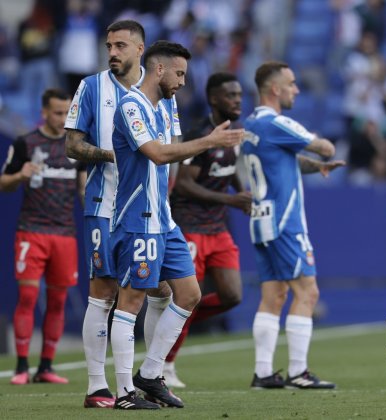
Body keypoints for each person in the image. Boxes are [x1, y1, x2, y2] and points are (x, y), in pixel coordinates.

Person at [110, 40, 243, 410]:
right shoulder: (130, 105)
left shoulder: (168, 105)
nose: (183, 82)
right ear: (159, 69)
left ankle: (151, 374)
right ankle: (123, 394)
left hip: (165, 220)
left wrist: (202, 146)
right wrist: (208, 142)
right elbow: (157, 153)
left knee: (188, 293)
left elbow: (173, 153)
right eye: (180, 73)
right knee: (132, 300)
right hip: (137, 219)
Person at [64, 20, 175, 409]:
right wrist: (113, 153)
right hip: (103, 205)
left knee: (161, 290)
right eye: (109, 46)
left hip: (147, 209)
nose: (113, 52)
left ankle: (149, 375)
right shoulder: (91, 87)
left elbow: (170, 148)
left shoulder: (163, 88)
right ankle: (98, 387)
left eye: (121, 46)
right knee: (103, 294)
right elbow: (72, 144)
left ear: (141, 49)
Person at [242, 61, 345, 390]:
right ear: (275, 89)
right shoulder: (276, 122)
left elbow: (280, 160)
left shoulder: (250, 125)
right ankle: (299, 372)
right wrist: (322, 149)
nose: (296, 90)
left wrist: (316, 168)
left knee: (273, 295)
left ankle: (262, 372)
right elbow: (325, 146)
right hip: (286, 222)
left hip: (261, 219)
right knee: (308, 291)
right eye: (291, 83)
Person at [166, 72, 251, 388]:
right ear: (214, 99)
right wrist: (231, 199)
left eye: (240, 95)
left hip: (217, 228)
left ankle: (170, 325)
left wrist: (242, 194)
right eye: (231, 95)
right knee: (188, 299)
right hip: (191, 226)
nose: (238, 101)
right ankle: (166, 364)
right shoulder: (201, 135)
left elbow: (228, 170)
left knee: (232, 295)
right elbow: (184, 185)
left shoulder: (234, 135)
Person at [0, 88, 86, 385]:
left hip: (65, 234)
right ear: (44, 113)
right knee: (27, 295)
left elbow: (83, 189)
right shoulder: (26, 143)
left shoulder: (77, 146)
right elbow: (4, 183)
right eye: (58, 113)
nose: (63, 119)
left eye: (67, 113)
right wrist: (19, 176)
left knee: (58, 301)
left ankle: (46, 367)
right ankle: (22, 366)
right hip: (32, 230)